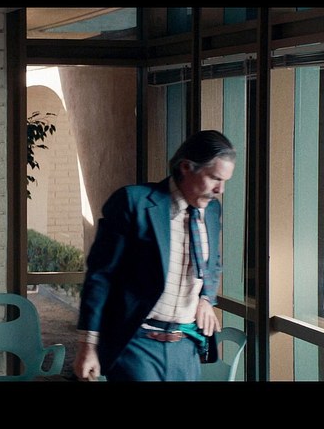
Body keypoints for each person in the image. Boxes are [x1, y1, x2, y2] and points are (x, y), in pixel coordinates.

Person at [74, 130, 236, 381]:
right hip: (137, 345)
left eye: (225, 181)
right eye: (214, 178)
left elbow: (212, 263)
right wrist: (88, 345)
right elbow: (101, 277)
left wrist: (206, 297)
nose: (220, 189)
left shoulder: (212, 211)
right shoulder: (133, 202)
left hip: (186, 347)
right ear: (186, 167)